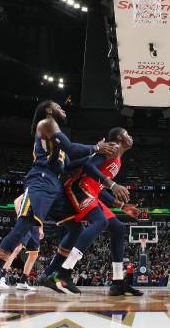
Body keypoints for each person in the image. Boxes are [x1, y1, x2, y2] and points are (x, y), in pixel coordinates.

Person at [0, 100, 122, 299]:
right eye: (58, 106)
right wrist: (95, 148)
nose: (62, 108)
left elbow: (71, 164)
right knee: (23, 227)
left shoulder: (58, 141)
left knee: (76, 227)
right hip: (40, 181)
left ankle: (50, 274)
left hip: (56, 186)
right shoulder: (46, 124)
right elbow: (72, 148)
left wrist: (95, 163)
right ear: (48, 110)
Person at [42, 127, 143, 296]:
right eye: (127, 134)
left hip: (91, 190)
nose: (130, 137)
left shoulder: (118, 157)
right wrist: (112, 184)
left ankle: (118, 282)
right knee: (100, 222)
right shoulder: (112, 148)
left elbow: (98, 186)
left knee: (118, 228)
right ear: (119, 137)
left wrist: (121, 206)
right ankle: (63, 272)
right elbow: (89, 167)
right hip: (79, 187)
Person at [0, 195, 44, 291]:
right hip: (26, 222)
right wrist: (20, 217)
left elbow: (41, 213)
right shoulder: (33, 188)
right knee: (17, 248)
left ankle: (22, 282)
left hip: (35, 226)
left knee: (34, 254)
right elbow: (16, 200)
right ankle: (0, 278)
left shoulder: (45, 194)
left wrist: (41, 228)